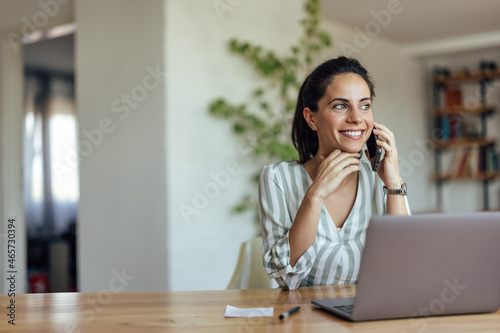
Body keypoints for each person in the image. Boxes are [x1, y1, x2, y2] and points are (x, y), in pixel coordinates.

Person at [258, 56, 410, 290]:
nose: (357, 118)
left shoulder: (380, 179)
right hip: (306, 319)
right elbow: (285, 276)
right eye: (340, 105)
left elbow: (405, 267)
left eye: (365, 105)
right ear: (311, 118)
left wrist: (394, 183)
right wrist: (315, 194)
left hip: (371, 315)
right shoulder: (278, 178)